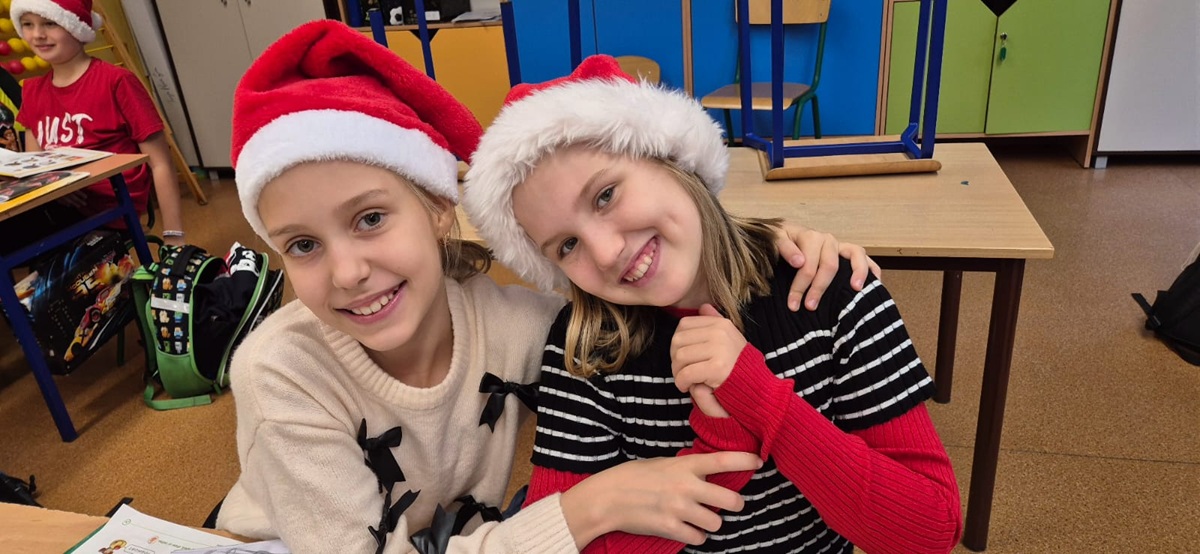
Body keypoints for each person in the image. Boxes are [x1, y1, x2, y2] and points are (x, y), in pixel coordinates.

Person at [215, 21, 876, 554]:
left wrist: (771, 243)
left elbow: (645, 271)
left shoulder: (521, 326)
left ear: (440, 208)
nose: (347, 272)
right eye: (302, 245)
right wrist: (587, 509)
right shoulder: (280, 369)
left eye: (370, 219)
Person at [462, 55, 963, 553]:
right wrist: (722, 446)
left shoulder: (829, 291)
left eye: (606, 195)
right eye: (567, 246)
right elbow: (567, 541)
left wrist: (761, 400)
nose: (607, 252)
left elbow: (929, 533)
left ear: (672, 158)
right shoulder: (585, 346)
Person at [4, 0, 185, 247]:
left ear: (75, 26)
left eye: (50, 23)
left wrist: (174, 237)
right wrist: (55, 186)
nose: (37, 34)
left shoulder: (116, 81)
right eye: (27, 24)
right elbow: (34, 167)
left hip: (110, 205)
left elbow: (160, 163)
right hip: (58, 203)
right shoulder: (33, 91)